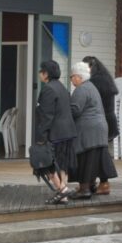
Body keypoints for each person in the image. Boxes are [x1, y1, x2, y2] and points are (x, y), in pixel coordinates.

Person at [35, 60, 76, 204]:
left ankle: (62, 190)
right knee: (63, 163)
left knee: (47, 163)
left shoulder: (48, 89)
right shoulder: (62, 87)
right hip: (68, 132)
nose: (39, 73)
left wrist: (41, 137)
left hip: (55, 133)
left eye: (41, 71)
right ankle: (63, 193)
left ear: (46, 74)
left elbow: (47, 116)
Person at [68, 61, 109, 199]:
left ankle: (84, 189)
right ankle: (90, 185)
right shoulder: (91, 87)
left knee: (84, 158)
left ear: (78, 77)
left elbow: (75, 110)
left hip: (88, 130)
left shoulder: (81, 89)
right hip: (99, 128)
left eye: (72, 76)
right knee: (92, 159)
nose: (71, 79)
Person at [83, 55, 120, 195]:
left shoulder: (94, 82)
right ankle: (93, 182)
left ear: (90, 67)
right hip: (109, 120)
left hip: (101, 121)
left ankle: (103, 183)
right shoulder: (106, 79)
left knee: (99, 153)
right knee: (99, 152)